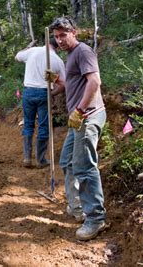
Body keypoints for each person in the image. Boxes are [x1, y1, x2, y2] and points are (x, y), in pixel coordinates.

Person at [49, 16, 107, 241]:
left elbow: (94, 82)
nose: (60, 40)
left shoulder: (83, 51)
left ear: (74, 32)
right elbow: (70, 82)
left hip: (87, 117)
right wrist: (53, 78)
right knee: (67, 161)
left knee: (84, 167)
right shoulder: (71, 55)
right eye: (56, 37)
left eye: (63, 35)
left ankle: (95, 218)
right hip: (78, 119)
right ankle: (77, 208)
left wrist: (80, 110)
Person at [15, 39, 65, 168]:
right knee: (43, 125)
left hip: (28, 92)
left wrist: (28, 46)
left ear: (46, 43)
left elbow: (18, 56)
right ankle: (40, 159)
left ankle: (27, 158)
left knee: (28, 124)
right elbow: (63, 84)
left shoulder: (33, 51)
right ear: (57, 47)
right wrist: (53, 94)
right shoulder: (57, 60)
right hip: (44, 93)